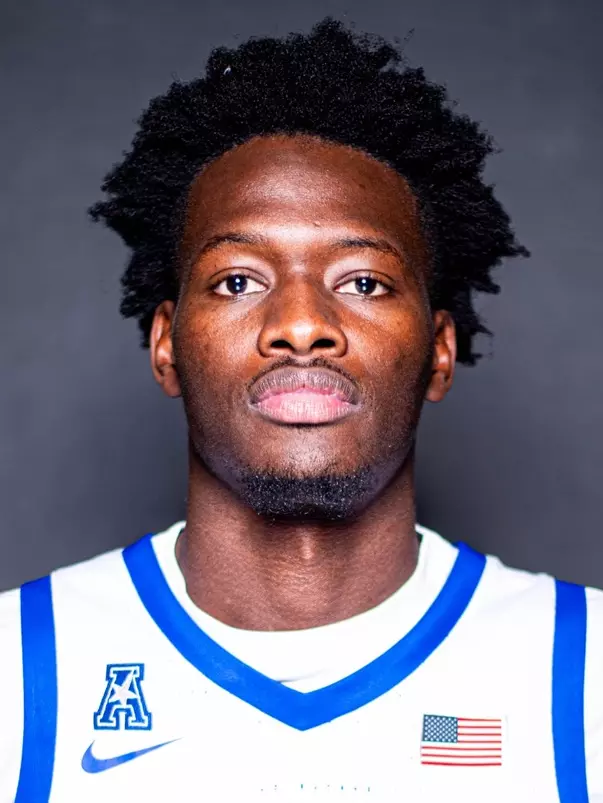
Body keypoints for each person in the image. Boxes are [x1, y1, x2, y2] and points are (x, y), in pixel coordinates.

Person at [1, 16, 601, 803]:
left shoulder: (583, 672)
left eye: (362, 281)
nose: (300, 324)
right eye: (237, 280)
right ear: (166, 345)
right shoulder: (19, 669)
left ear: (440, 350)